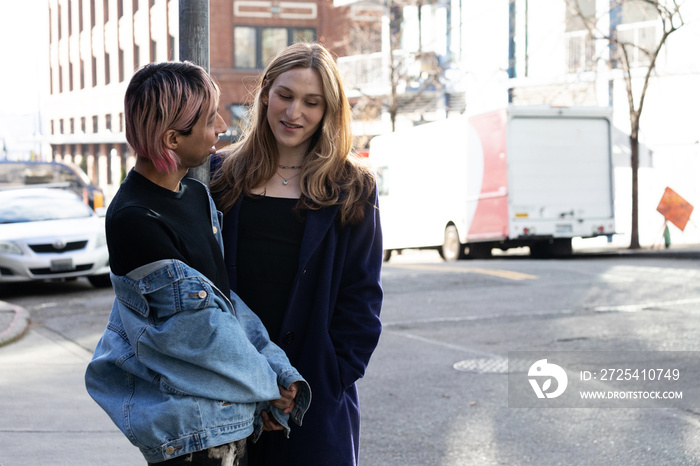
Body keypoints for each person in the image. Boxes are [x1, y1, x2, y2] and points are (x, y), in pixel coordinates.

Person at [85, 61, 311, 465]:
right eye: (209, 120)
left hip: (226, 416)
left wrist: (276, 371)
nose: (222, 126)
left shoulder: (194, 193)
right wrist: (267, 385)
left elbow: (224, 302)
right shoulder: (135, 218)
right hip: (190, 433)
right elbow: (198, 335)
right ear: (172, 138)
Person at [210, 42, 383, 465]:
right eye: (285, 96)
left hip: (312, 397)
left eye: (312, 102)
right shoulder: (218, 175)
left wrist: (325, 378)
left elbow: (361, 297)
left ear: (328, 110)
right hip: (226, 390)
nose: (294, 113)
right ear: (266, 91)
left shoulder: (352, 185)